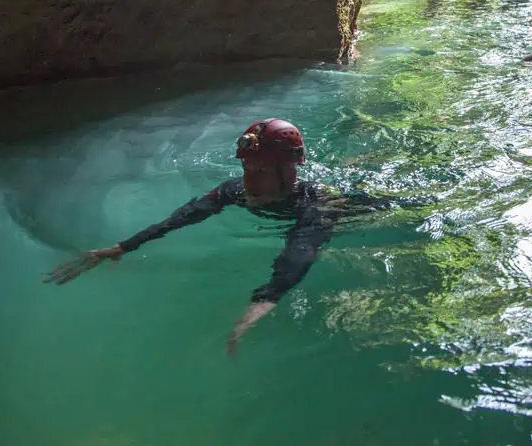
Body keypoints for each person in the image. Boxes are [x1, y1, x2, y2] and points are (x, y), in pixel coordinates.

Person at [43, 119, 402, 356]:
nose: (248, 178)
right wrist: (123, 246)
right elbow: (185, 216)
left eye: (258, 168)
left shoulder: (317, 205)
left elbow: (300, 251)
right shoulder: (236, 190)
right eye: (245, 166)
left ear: (287, 170)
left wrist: (265, 301)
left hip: (366, 206)